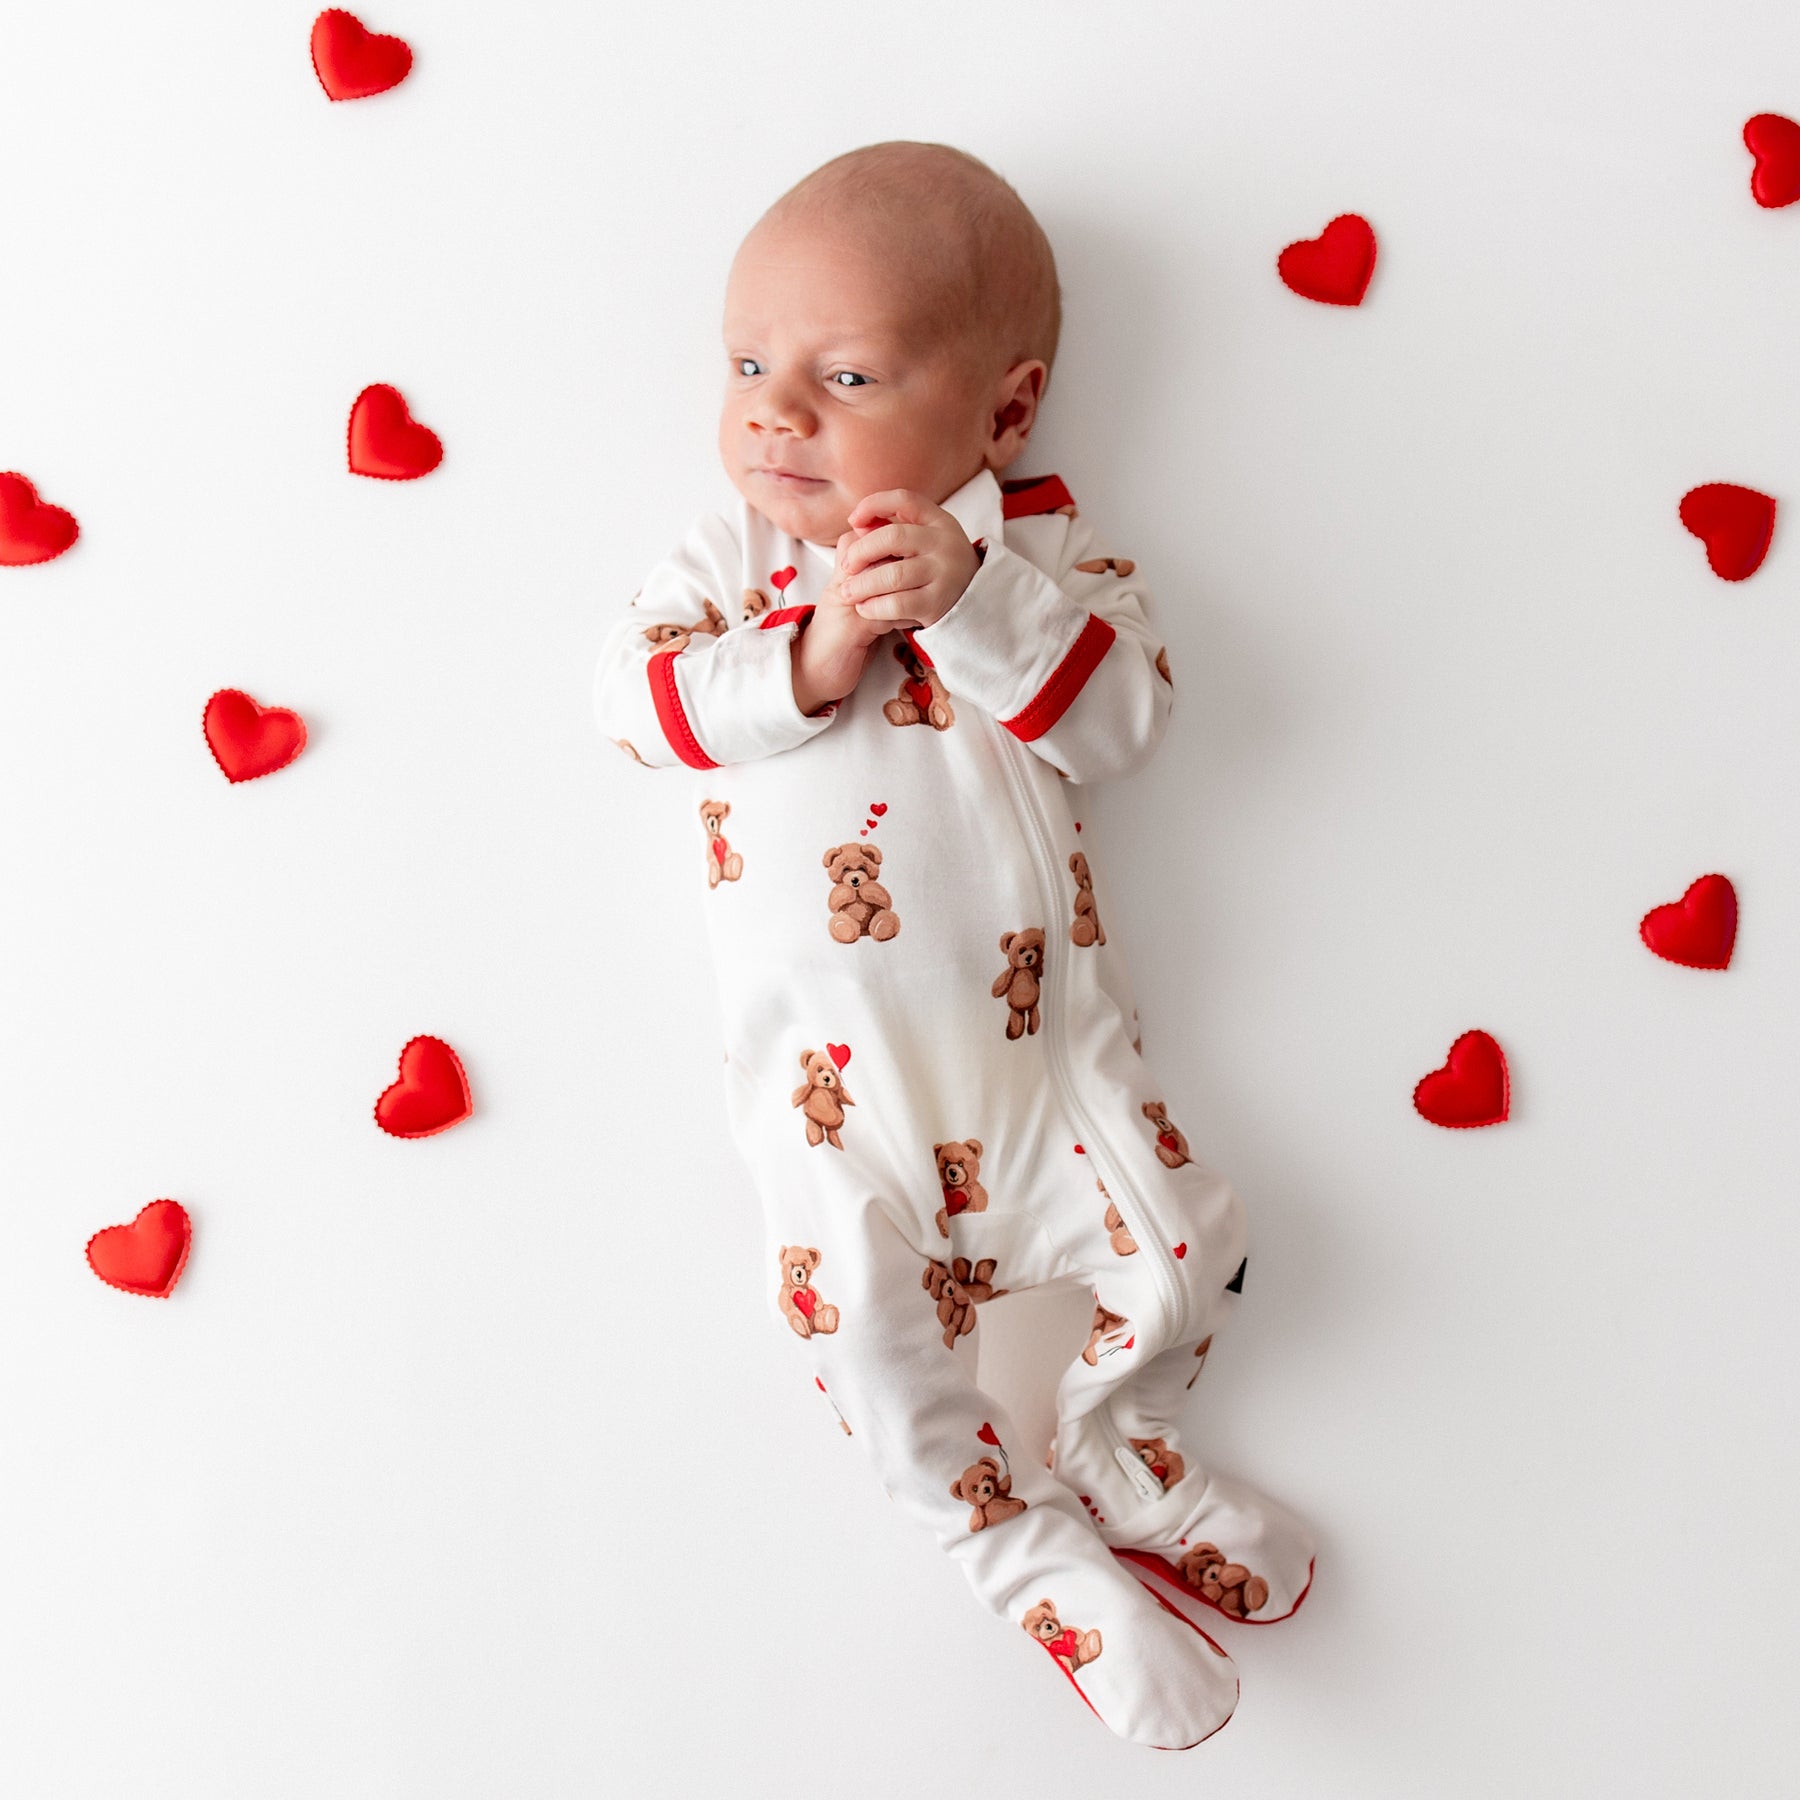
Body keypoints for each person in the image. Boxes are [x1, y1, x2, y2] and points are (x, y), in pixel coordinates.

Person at [592, 140, 1315, 1750]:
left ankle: (1120, 1444)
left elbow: (1123, 726)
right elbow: (637, 713)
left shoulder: (1047, 559)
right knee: (859, 1330)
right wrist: (818, 640)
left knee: (1191, 1242)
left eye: (843, 376)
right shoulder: (737, 563)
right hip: (824, 1093)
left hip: (1045, 1070)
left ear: (1002, 412)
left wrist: (976, 599)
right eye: (747, 366)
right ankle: (1031, 1561)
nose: (775, 413)